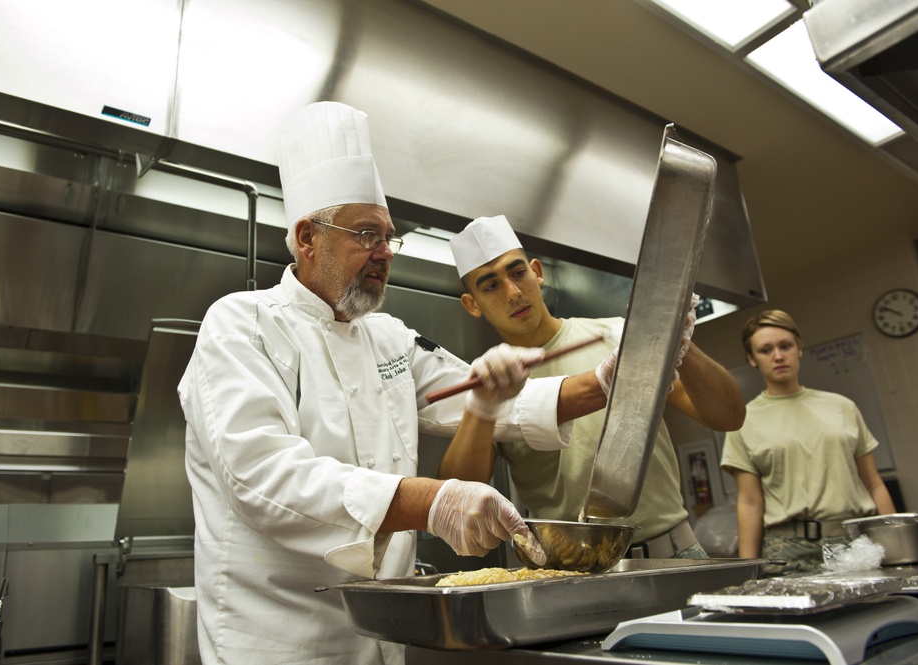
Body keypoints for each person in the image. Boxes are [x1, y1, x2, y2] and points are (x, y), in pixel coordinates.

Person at [178, 103, 613, 665]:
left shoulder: (387, 338)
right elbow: (264, 477)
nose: (384, 253)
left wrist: (611, 381)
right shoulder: (240, 324)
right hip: (280, 643)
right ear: (307, 237)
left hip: (384, 641)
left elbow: (490, 396)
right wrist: (434, 501)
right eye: (366, 235)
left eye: (389, 237)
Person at [440, 215, 746, 558]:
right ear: (472, 305)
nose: (512, 293)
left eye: (517, 273)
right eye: (490, 285)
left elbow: (729, 417)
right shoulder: (491, 382)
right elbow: (459, 494)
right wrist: (482, 406)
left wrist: (676, 340)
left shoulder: (617, 337)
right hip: (569, 567)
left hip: (672, 551)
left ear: (537, 273)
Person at [721, 309, 896, 575]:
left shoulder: (841, 407)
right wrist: (748, 573)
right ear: (752, 359)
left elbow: (873, 483)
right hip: (788, 550)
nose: (778, 356)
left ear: (799, 348)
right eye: (765, 350)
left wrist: (896, 548)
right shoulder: (743, 421)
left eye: (785, 346)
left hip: (854, 542)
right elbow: (749, 502)